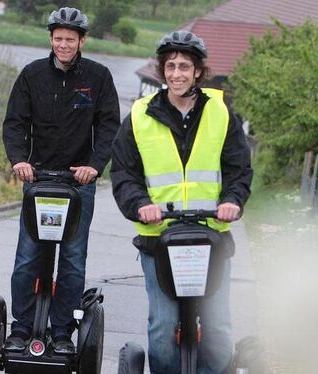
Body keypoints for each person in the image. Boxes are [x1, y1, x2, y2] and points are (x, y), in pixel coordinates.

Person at [110, 30, 253, 373]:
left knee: (217, 330)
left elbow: (239, 168)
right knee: (162, 329)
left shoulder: (220, 112)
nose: (177, 73)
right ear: (162, 70)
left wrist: (232, 200)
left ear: (198, 72)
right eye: (171, 66)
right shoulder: (141, 115)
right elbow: (124, 173)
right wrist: (139, 204)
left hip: (211, 235)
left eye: (184, 66)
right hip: (159, 236)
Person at [2, 7, 121, 354]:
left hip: (78, 184)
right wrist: (19, 160)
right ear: (51, 39)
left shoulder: (98, 77)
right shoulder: (32, 75)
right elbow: (14, 123)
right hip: (37, 180)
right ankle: (21, 328)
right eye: (58, 38)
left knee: (71, 258)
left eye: (70, 39)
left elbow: (109, 126)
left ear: (82, 40)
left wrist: (95, 166)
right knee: (28, 256)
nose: (64, 44)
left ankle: (62, 333)